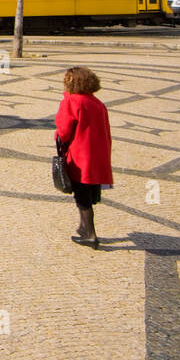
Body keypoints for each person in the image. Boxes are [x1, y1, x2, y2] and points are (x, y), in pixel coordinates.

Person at [54, 66, 112, 249]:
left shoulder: (72, 102)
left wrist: (59, 139)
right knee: (88, 193)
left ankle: (90, 234)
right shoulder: (97, 103)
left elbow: (63, 130)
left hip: (80, 154)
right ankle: (83, 227)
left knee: (82, 196)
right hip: (97, 154)